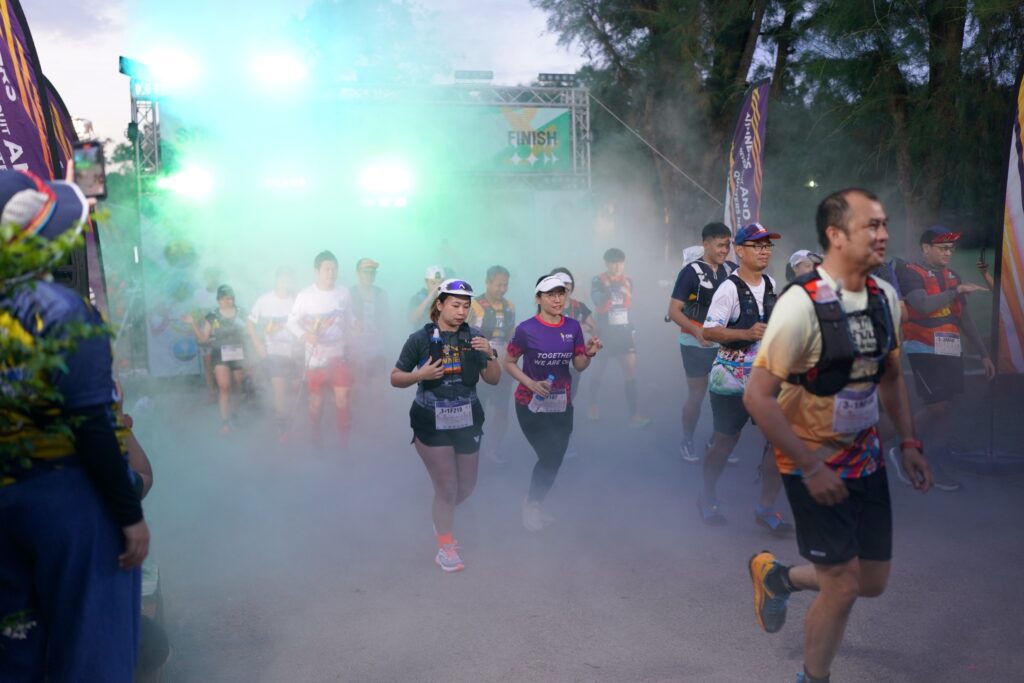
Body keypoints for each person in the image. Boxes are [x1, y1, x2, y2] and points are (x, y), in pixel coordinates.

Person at [743, 188, 932, 683]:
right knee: (843, 586)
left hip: (864, 456)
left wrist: (909, 442)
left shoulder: (884, 297)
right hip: (810, 461)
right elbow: (758, 397)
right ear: (836, 235)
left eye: (883, 224)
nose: (884, 234)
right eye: (871, 225)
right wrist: (810, 466)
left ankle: (778, 577)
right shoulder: (800, 305)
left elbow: (891, 375)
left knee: (871, 581)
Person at [0, 169, 149, 681]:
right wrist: (129, 514)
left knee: (18, 653)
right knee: (91, 652)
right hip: (68, 502)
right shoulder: (62, 312)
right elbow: (90, 425)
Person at [391, 279, 500, 572]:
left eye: (466, 306)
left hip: (468, 419)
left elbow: (493, 379)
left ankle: (440, 516)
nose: (461, 311)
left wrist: (490, 353)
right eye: (455, 305)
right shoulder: (419, 339)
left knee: (466, 486)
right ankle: (445, 546)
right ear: (439, 305)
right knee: (448, 487)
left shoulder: (475, 337)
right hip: (431, 421)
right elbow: (395, 377)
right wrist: (420, 375)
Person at [698, 223, 791, 533]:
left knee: (779, 442)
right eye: (757, 245)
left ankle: (766, 508)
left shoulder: (770, 282)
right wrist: (746, 333)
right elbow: (709, 332)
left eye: (768, 245)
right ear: (739, 250)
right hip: (730, 380)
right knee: (725, 442)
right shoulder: (728, 288)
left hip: (766, 379)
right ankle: (707, 495)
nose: (764, 251)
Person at [893, 227, 995, 492]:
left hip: (950, 347)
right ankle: (903, 446)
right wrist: (956, 291)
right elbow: (922, 305)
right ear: (925, 248)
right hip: (922, 347)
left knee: (947, 405)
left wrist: (984, 354)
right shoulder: (910, 272)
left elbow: (965, 319)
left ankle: (937, 461)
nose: (949, 253)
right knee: (937, 406)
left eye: (951, 248)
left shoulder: (952, 275)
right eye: (942, 248)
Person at [504, 275, 603, 531]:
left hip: (562, 404)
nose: (558, 299)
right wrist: (530, 383)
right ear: (538, 298)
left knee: (556, 457)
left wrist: (589, 353)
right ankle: (530, 504)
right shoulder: (526, 329)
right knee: (549, 456)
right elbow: (509, 362)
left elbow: (578, 365)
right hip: (530, 403)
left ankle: (535, 503)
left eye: (561, 294)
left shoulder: (573, 327)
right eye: (551, 295)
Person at [667, 222, 737, 461]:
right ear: (705, 244)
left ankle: (717, 443)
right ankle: (687, 439)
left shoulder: (732, 270)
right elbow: (674, 311)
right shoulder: (690, 271)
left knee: (727, 396)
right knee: (697, 394)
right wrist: (697, 332)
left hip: (724, 343)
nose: (724, 250)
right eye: (719, 245)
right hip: (695, 342)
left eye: (727, 245)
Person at [287, 251, 355, 449]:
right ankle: (316, 435)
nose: (331, 273)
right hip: (315, 357)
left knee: (342, 399)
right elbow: (291, 322)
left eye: (334, 269)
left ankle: (343, 446)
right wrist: (305, 336)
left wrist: (355, 325)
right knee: (316, 402)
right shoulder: (305, 296)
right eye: (327, 269)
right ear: (316, 271)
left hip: (338, 354)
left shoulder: (343, 292)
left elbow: (349, 317)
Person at [588, 248, 648, 427]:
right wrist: (609, 292)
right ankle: (592, 405)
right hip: (605, 331)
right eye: (613, 263)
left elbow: (628, 307)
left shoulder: (628, 281)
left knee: (630, 370)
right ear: (606, 263)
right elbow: (597, 301)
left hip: (623, 331)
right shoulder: (598, 280)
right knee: (598, 369)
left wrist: (633, 331)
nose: (617, 266)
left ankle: (634, 415)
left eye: (620, 263)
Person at [183, 284, 249, 434]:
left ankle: (234, 416)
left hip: (239, 353)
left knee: (238, 387)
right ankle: (225, 423)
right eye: (224, 299)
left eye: (230, 298)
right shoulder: (212, 316)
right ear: (218, 300)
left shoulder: (242, 312)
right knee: (224, 387)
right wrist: (193, 324)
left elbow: (251, 332)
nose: (227, 301)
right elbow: (203, 339)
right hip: (220, 354)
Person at [469, 265, 516, 464]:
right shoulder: (473, 305)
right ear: (487, 282)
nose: (502, 289)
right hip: (478, 368)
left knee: (501, 411)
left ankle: (494, 450)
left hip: (502, 367)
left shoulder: (510, 306)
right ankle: (471, 450)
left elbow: (512, 334)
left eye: (505, 285)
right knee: (476, 410)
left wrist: (511, 357)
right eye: (499, 285)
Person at [248, 267, 298, 443]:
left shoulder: (296, 299)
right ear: (277, 280)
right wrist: (257, 343)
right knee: (279, 389)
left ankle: (289, 418)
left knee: (295, 387)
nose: (286, 283)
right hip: (273, 351)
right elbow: (250, 322)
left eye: (289, 279)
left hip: (294, 352)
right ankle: (281, 426)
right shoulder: (264, 300)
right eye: (283, 279)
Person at [349, 257, 390, 416]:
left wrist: (382, 329)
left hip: (376, 348)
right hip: (355, 349)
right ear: (358, 274)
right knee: (356, 390)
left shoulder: (381, 294)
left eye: (373, 272)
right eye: (366, 272)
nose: (369, 275)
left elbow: (388, 319)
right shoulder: (349, 293)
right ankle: (357, 422)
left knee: (377, 391)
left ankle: (375, 422)